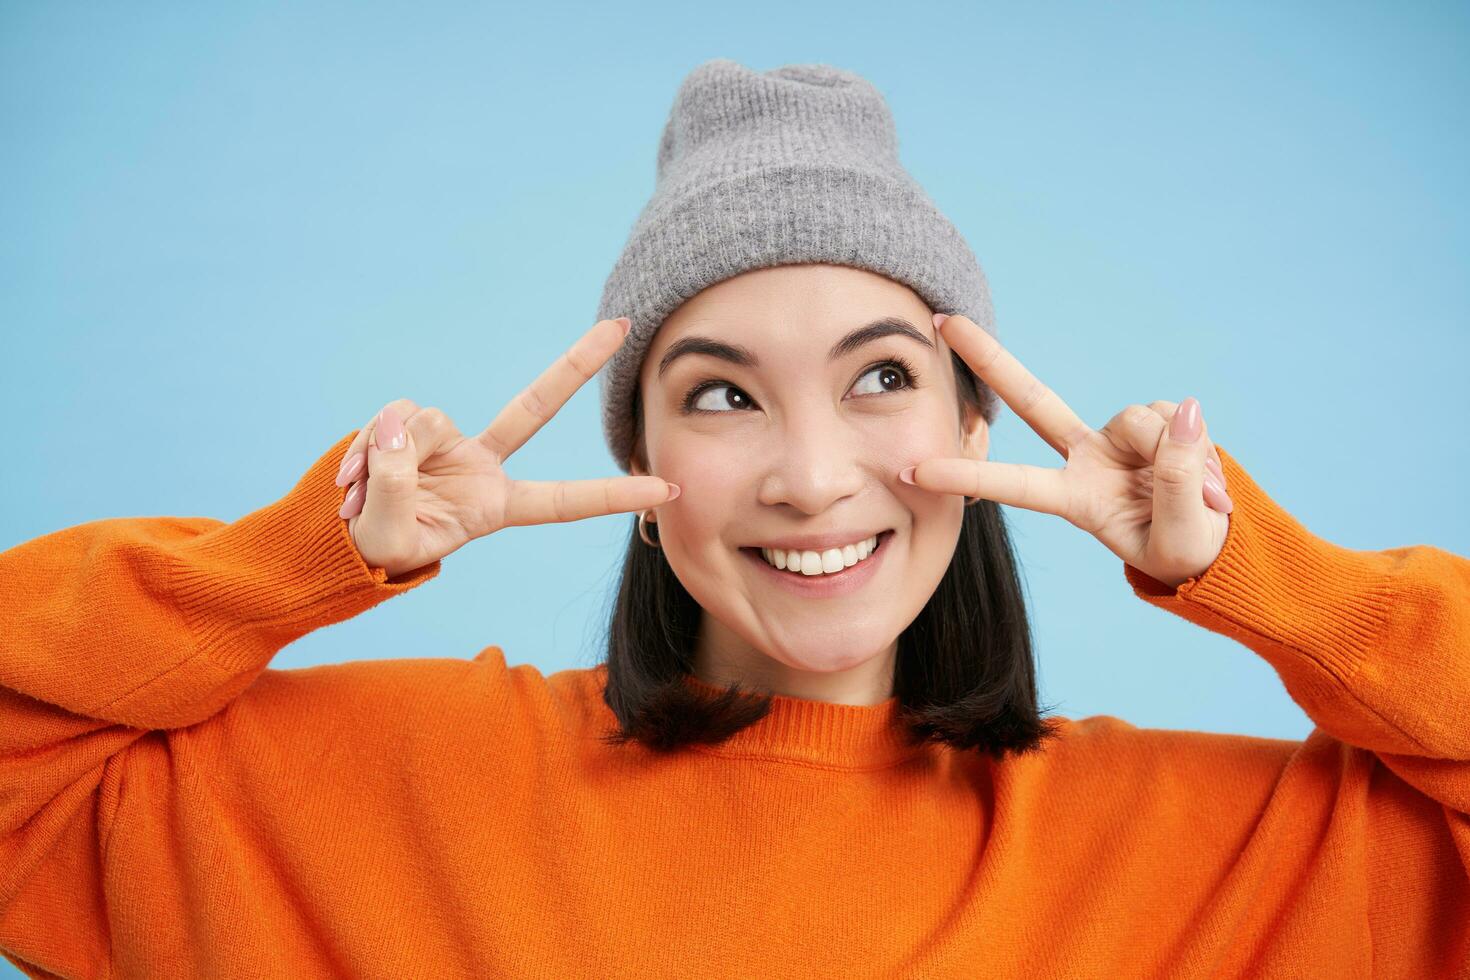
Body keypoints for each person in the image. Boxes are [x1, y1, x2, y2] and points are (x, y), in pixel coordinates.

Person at [2, 58, 1465, 979]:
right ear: (638, 473)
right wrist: (305, 557)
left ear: (972, 423)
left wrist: (1260, 576)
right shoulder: (377, 789)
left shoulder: (1216, 852)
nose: (810, 476)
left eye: (880, 379)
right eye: (718, 398)